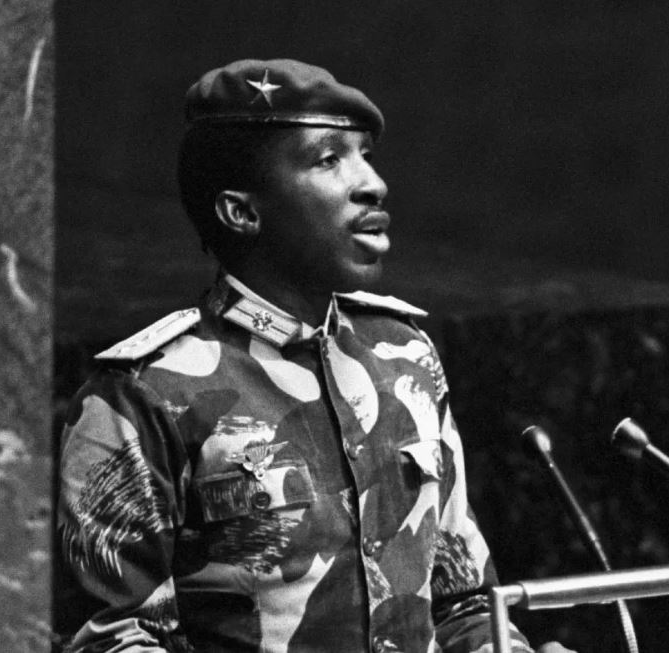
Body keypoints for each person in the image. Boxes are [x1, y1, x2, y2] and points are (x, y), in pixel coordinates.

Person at [55, 58, 575, 653]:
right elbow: (115, 638)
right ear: (241, 212)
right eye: (329, 160)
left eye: (365, 156)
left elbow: (462, 603)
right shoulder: (144, 394)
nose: (372, 184)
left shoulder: (403, 354)